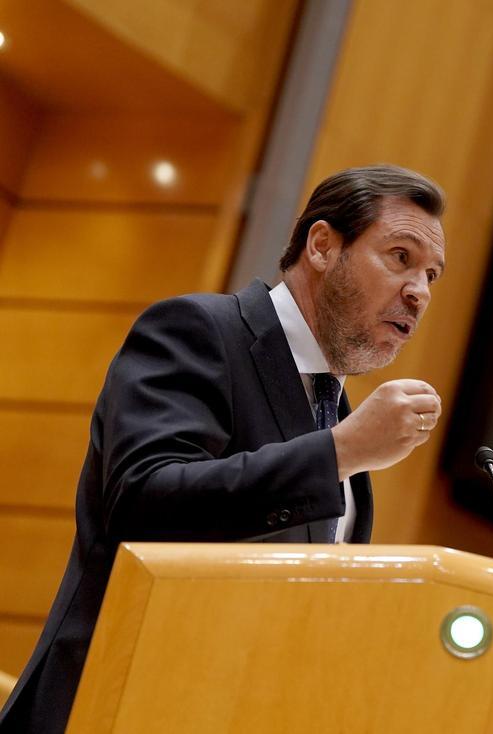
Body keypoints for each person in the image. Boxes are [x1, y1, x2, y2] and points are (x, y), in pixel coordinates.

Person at [0, 165, 447, 733]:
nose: (419, 291)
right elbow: (143, 500)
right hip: (107, 709)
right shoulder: (201, 331)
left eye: (432, 275)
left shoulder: (338, 414)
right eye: (401, 257)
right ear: (322, 246)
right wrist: (339, 452)